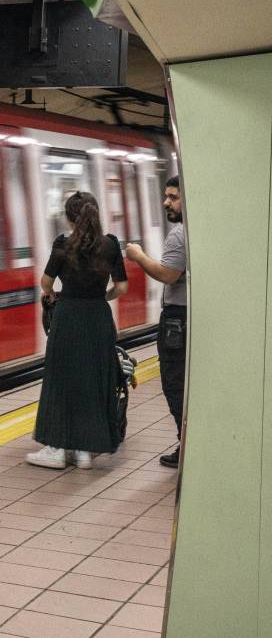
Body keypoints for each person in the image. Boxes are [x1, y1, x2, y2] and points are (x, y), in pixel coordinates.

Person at [26, 191, 129, 470]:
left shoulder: (63, 244)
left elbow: (45, 283)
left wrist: (56, 294)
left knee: (62, 379)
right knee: (95, 379)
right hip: (97, 316)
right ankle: (85, 451)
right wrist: (101, 297)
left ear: (69, 217)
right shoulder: (110, 245)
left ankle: (57, 449)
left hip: (68, 316)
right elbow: (121, 287)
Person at [126, 175, 187, 467]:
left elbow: (167, 275)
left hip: (178, 321)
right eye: (166, 196)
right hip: (190, 317)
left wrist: (138, 256)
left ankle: (186, 447)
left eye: (173, 197)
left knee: (175, 385)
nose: (166, 202)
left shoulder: (179, 234)